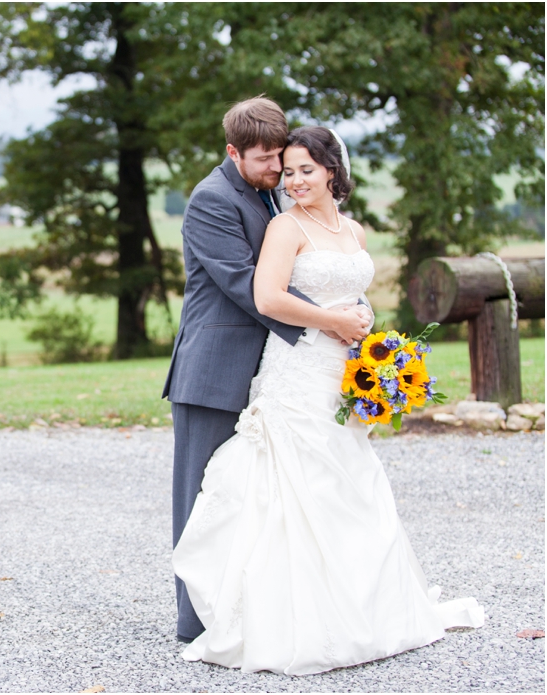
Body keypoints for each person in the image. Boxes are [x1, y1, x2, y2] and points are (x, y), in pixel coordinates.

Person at [171, 125, 484, 675]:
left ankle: (365, 606)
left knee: (348, 477)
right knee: (287, 483)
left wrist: (371, 340)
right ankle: (276, 615)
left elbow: (354, 292)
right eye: (286, 171)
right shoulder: (282, 226)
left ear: (332, 171)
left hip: (339, 366)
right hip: (298, 367)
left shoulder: (354, 231)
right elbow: (267, 295)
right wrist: (335, 321)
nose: (292, 179)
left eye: (303, 170)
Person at [161, 97, 372, 643]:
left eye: (281, 157)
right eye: (264, 160)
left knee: (252, 497)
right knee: (204, 496)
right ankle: (195, 620)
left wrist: (352, 310)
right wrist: (329, 320)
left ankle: (251, 609)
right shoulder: (211, 199)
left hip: (271, 366)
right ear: (233, 152)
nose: (277, 169)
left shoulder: (271, 191)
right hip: (213, 368)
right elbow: (244, 283)